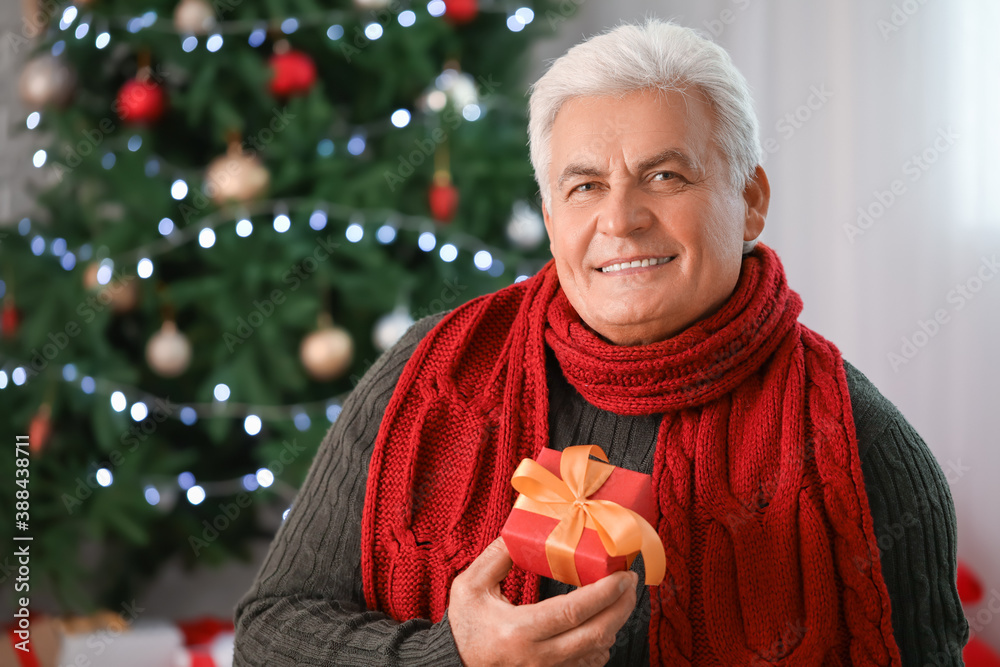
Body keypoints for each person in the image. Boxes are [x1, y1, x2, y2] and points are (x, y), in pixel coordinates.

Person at [234, 18, 968, 666]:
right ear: (551, 216)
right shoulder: (429, 375)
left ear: (750, 200)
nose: (620, 219)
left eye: (664, 175)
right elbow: (268, 637)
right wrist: (452, 656)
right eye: (584, 186)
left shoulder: (862, 449)